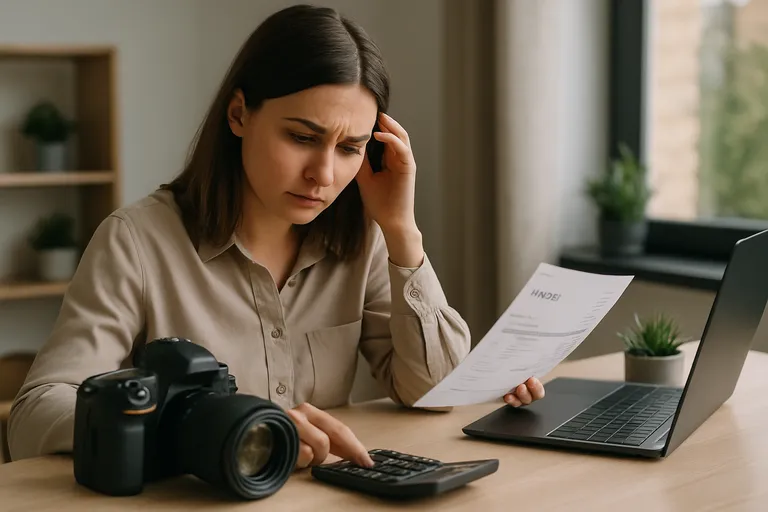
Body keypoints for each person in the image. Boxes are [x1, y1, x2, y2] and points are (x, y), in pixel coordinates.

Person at [8, 4, 545, 468]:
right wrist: (193, 430)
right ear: (240, 114)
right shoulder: (136, 241)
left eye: (349, 148)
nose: (324, 174)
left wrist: (402, 230)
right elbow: (35, 415)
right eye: (301, 137)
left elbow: (431, 393)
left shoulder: (365, 240)